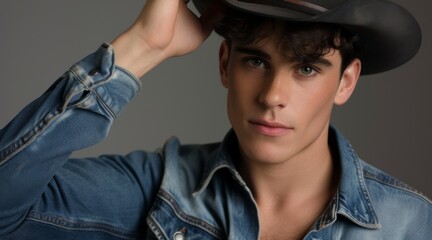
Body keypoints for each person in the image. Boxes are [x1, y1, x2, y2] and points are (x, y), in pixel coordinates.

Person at [0, 0, 431, 239]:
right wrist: (141, 48)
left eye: (306, 69)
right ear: (225, 64)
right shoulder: (160, 190)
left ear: (345, 82)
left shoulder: (410, 225)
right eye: (256, 62)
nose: (272, 97)